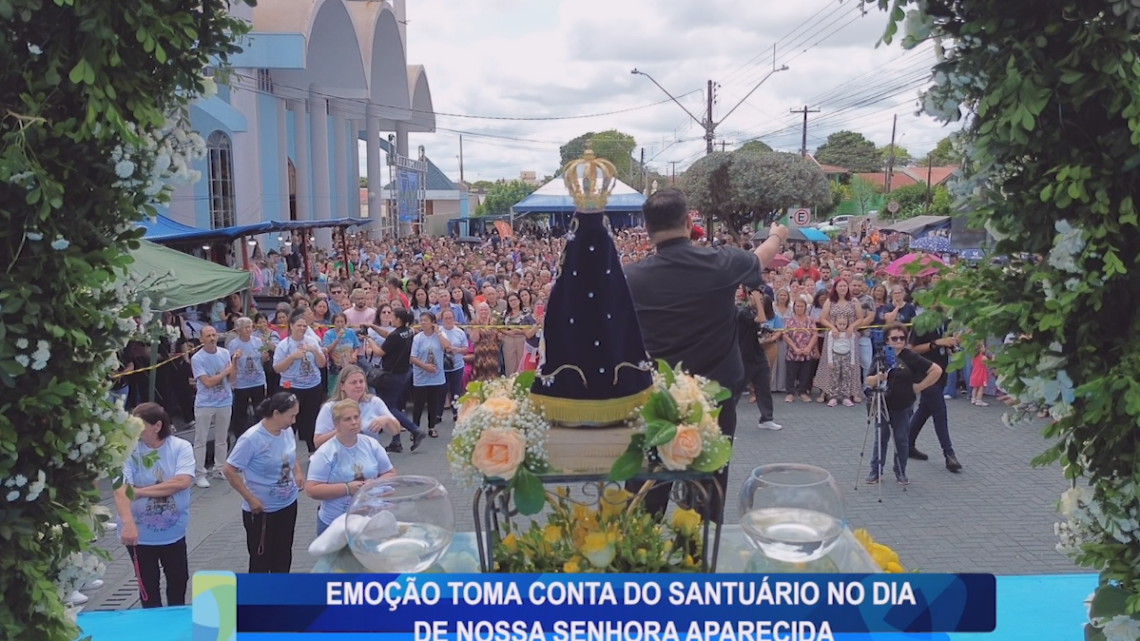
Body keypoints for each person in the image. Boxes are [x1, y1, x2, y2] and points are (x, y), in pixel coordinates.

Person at [624, 188, 787, 521]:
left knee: (645, 495)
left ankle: (640, 562)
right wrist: (776, 235)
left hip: (658, 403)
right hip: (715, 404)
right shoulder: (720, 261)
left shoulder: (631, 277)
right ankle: (700, 561)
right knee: (708, 494)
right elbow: (761, 257)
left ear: (647, 228)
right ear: (688, 221)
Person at [114, 403, 194, 608]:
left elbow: (182, 482)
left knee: (178, 582)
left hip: (174, 534)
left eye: (138, 425)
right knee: (148, 588)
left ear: (157, 426)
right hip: (140, 538)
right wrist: (127, 522)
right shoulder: (127, 451)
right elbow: (121, 488)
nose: (133, 431)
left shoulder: (180, 447)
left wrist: (139, 491)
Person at [223, 392, 305, 573]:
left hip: (288, 504)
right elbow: (229, 470)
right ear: (276, 414)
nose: (293, 421)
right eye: (291, 416)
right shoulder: (251, 439)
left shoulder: (287, 431)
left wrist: (297, 472)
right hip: (263, 510)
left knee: (284, 554)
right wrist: (250, 499)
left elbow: (290, 454)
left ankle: (281, 596)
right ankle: (259, 598)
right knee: (261, 558)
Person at [863, 323, 943, 486]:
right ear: (887, 340)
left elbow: (936, 370)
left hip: (904, 404)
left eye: (902, 338)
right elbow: (869, 381)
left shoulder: (911, 356)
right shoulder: (881, 356)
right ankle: (875, 471)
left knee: (901, 439)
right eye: (894, 338)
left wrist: (919, 387)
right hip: (883, 404)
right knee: (881, 438)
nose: (899, 341)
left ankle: (900, 471)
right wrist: (879, 377)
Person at [305, 399, 397, 536]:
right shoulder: (326, 452)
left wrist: (375, 483)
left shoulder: (371, 444)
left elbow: (391, 473)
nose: (354, 422)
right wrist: (348, 488)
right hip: (336, 523)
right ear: (336, 424)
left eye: (356, 417)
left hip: (370, 520)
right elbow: (312, 489)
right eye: (347, 419)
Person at [907, 314, 963, 473]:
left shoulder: (947, 321)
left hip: (941, 372)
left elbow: (948, 344)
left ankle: (907, 444)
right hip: (925, 373)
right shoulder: (922, 321)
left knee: (925, 410)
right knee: (940, 412)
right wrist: (935, 343)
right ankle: (949, 454)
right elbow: (912, 349)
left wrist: (951, 346)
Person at [272, 309, 327, 454]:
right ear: (291, 326)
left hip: (313, 385)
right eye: (299, 325)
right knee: (290, 420)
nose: (302, 328)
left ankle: (313, 450)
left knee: (311, 419)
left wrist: (314, 351)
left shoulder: (312, 341)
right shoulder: (284, 345)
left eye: (304, 326)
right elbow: (277, 369)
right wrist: (292, 357)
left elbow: (322, 364)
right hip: (292, 386)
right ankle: (286, 451)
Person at [190, 325, 237, 488]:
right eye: (208, 336)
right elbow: (207, 382)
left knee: (222, 438)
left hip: (224, 401)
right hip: (205, 403)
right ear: (201, 339)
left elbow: (231, 378)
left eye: (214, 335)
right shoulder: (197, 358)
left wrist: (234, 364)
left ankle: (219, 468)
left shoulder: (224, 353)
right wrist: (225, 372)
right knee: (200, 439)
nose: (212, 339)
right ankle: (199, 473)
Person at [313, 365, 404, 449]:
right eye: (353, 382)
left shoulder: (373, 402)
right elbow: (317, 442)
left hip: (370, 455)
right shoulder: (330, 408)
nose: (358, 385)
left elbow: (396, 430)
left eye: (361, 381)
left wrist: (386, 420)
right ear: (342, 386)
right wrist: (341, 431)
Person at [738, 289, 781, 430]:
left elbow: (761, 328)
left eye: (762, 299)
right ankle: (719, 420)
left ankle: (766, 419)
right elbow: (761, 319)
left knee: (764, 388)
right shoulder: (743, 312)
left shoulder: (757, 311)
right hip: (744, 358)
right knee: (734, 392)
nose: (760, 301)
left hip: (759, 356)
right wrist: (756, 299)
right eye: (758, 299)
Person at [227, 317, 269, 447]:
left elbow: (263, 361)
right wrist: (235, 358)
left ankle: (262, 435)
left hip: (258, 381)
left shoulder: (258, 341)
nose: (249, 329)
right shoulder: (233, 344)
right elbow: (230, 363)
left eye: (250, 326)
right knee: (241, 412)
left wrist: (264, 357)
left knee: (260, 410)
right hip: (241, 382)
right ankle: (241, 438)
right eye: (246, 327)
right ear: (239, 330)